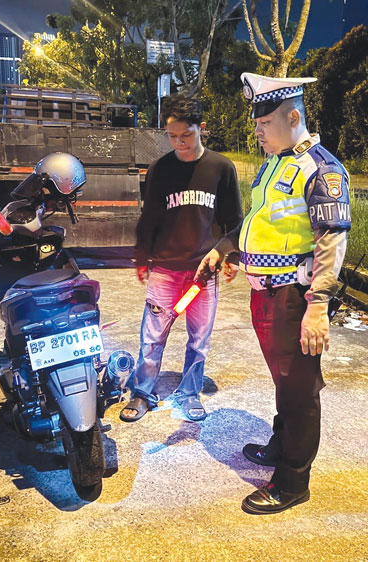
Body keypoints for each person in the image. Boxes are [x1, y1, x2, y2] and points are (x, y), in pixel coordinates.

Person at [196, 72, 351, 514]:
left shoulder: (321, 169)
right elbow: (259, 221)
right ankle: (281, 445)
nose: (258, 131)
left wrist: (318, 306)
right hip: (265, 296)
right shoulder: (274, 164)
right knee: (283, 380)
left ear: (293, 117)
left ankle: (291, 481)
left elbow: (331, 240)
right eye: (257, 123)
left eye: (265, 122)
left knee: (299, 391)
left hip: (295, 298)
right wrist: (224, 247)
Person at [120, 94, 243, 423]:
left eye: (186, 135)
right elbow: (149, 218)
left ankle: (189, 393)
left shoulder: (221, 168)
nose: (179, 143)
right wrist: (141, 256)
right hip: (165, 270)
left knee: (199, 340)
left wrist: (232, 257)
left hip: (204, 272)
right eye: (172, 136)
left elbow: (233, 219)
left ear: (201, 128)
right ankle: (142, 392)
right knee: (152, 337)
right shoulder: (160, 169)